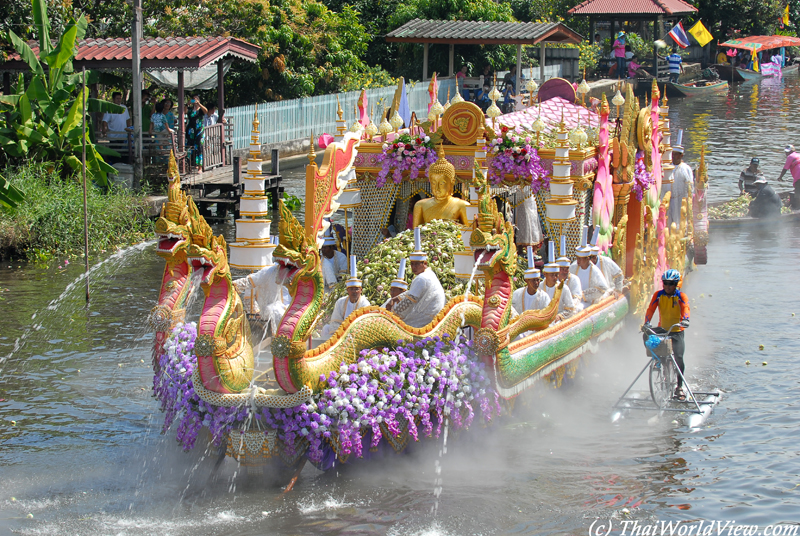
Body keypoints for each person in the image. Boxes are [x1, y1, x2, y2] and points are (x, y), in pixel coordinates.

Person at [642, 269, 690, 401]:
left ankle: (679, 387)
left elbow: (686, 308)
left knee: (679, 357)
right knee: (646, 334)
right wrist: (646, 322)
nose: (667, 286)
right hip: (663, 329)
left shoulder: (681, 296)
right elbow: (651, 309)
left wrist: (685, 320)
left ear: (676, 285)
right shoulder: (658, 295)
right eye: (665, 283)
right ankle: (657, 358)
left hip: (676, 331)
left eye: (671, 284)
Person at [386, 228, 446, 328]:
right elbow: (412, 293)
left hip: (427, 316)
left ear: (425, 263)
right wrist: (398, 297)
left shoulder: (421, 278)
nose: (414, 267)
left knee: (396, 326)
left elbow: (409, 301)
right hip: (434, 313)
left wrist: (393, 315)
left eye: (417, 264)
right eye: (412, 264)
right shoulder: (429, 273)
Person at [412, 146, 469, 227]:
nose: (437, 188)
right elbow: (416, 234)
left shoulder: (462, 205)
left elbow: (469, 232)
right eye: (434, 183)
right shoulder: (420, 205)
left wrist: (453, 227)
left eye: (442, 183)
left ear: (452, 183)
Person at [319, 256, 371, 340]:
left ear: (361, 290)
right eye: (351, 289)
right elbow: (335, 321)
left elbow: (364, 323)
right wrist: (342, 332)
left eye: (356, 289)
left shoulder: (365, 303)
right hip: (341, 331)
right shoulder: (341, 302)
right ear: (347, 290)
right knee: (326, 328)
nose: (354, 292)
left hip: (357, 333)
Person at [233, 264, 291, 335]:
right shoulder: (269, 271)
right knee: (277, 310)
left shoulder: (298, 272)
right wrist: (255, 312)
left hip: (292, 310)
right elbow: (248, 284)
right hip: (270, 312)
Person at [541, 241, 576, 320]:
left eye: (556, 275)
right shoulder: (539, 288)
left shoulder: (564, 288)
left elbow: (570, 310)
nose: (555, 278)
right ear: (545, 274)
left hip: (558, 321)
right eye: (551, 275)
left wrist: (559, 317)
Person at [511, 247, 550, 315]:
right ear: (526, 281)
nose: (536, 283)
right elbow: (511, 310)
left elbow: (547, 314)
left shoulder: (544, 297)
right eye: (533, 280)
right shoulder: (517, 294)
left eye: (537, 280)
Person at [668, 132, 694, 227]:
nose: (674, 156)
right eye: (673, 154)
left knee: (682, 220)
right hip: (670, 199)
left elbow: (690, 186)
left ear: (681, 156)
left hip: (682, 199)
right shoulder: (668, 167)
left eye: (676, 155)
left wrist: (688, 199)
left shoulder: (686, 168)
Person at [588, 227, 624, 293]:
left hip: (607, 294)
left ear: (594, 257)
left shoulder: (606, 261)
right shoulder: (584, 265)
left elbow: (619, 274)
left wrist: (617, 291)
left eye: (590, 258)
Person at [186, 95, 207, 169]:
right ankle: (190, 164)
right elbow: (184, 111)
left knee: (199, 147)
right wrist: (187, 104)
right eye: (193, 100)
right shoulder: (190, 110)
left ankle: (200, 166)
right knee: (189, 146)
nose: (194, 101)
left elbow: (206, 111)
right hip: (190, 131)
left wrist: (199, 104)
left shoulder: (200, 110)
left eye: (196, 100)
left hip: (199, 131)